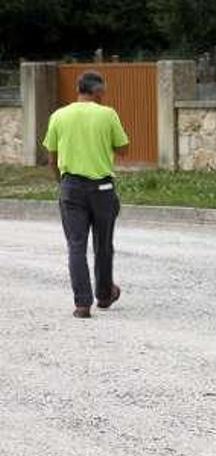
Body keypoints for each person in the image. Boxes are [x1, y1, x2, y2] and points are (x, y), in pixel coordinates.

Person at [43, 71, 129, 318]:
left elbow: (52, 157)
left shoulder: (58, 116)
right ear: (97, 91)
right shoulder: (107, 114)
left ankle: (82, 304)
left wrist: (63, 183)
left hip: (71, 187)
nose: (105, 96)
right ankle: (104, 295)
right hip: (102, 188)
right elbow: (123, 148)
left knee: (76, 246)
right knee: (103, 244)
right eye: (104, 92)